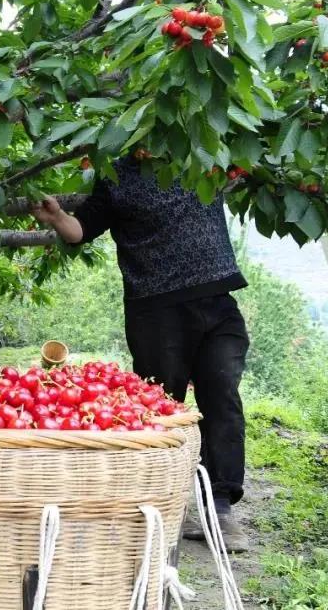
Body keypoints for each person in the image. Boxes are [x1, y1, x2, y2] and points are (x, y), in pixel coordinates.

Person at [32, 154, 250, 552]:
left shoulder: (201, 152)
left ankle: (218, 509)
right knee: (161, 406)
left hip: (218, 299)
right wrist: (57, 216)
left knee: (222, 394)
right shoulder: (117, 173)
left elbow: (255, 151)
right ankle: (159, 499)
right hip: (155, 309)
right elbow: (82, 230)